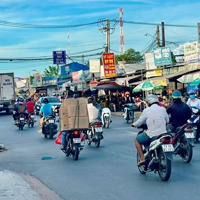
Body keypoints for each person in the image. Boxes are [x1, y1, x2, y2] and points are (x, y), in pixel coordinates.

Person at [132, 94, 169, 166]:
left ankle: (143, 159)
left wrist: (133, 124)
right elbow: (167, 121)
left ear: (148, 103)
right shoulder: (163, 109)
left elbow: (139, 122)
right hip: (163, 134)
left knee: (137, 139)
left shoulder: (146, 110)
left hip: (151, 134)